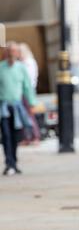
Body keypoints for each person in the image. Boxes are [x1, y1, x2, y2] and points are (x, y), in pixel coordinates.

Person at [0, 42, 36, 176]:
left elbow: (27, 87)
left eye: (14, 51)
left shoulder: (21, 68)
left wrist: (32, 103)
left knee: (16, 136)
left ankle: (14, 162)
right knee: (6, 136)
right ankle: (9, 163)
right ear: (6, 53)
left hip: (17, 107)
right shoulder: (1, 68)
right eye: (9, 51)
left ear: (17, 54)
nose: (11, 54)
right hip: (3, 107)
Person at [19, 43, 40, 143]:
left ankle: (35, 136)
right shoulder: (22, 63)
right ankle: (27, 137)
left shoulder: (29, 63)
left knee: (30, 114)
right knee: (23, 115)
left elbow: (29, 80)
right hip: (23, 91)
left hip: (28, 91)